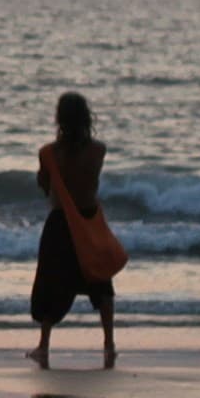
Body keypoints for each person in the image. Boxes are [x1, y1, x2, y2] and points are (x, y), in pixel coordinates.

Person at [27, 90, 118, 368]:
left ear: (59, 119)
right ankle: (109, 343)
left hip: (60, 223)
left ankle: (43, 346)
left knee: (50, 283)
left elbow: (45, 188)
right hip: (88, 220)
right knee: (100, 281)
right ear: (87, 116)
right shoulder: (98, 150)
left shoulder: (47, 153)